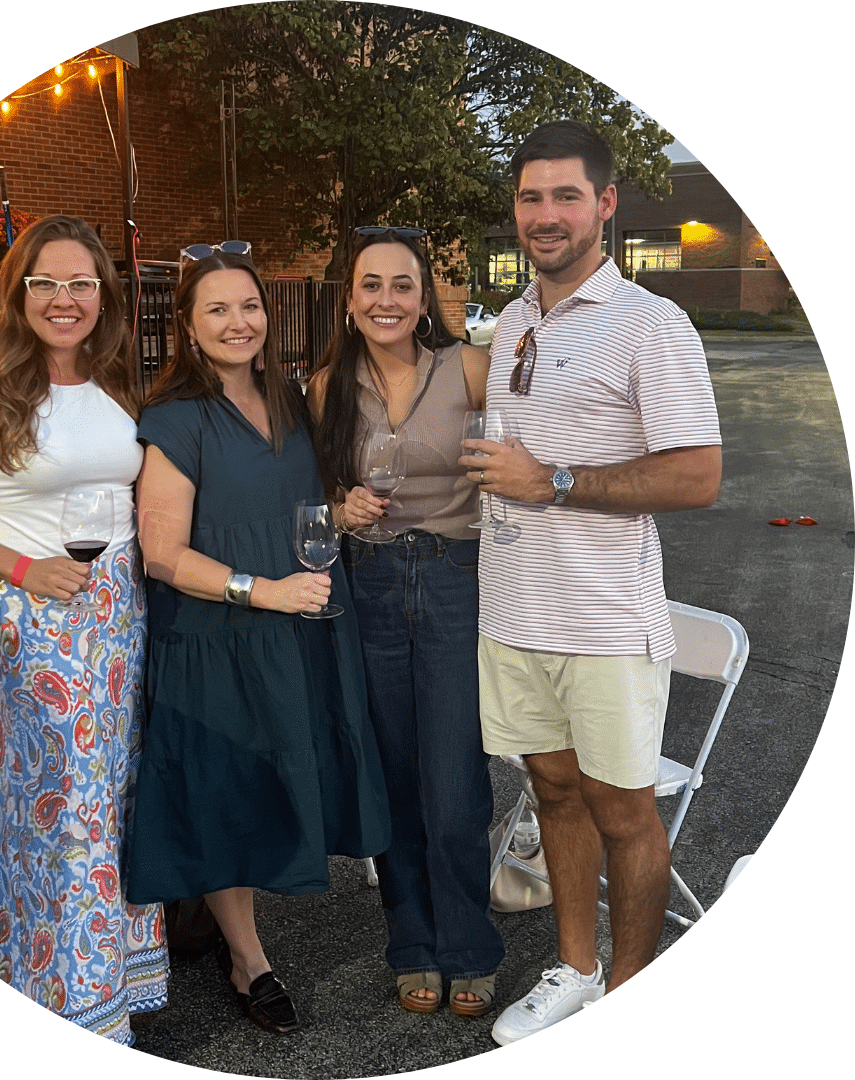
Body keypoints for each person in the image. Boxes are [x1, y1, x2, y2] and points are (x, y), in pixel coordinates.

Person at [459, 120, 723, 1044]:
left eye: (566, 196)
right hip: (513, 611)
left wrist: (556, 482)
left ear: (605, 204)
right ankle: (573, 971)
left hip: (605, 620)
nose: (545, 215)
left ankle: (629, 997)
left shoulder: (653, 323)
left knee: (624, 812)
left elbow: (698, 475)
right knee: (553, 793)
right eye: (530, 197)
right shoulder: (515, 320)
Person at [0, 215, 168, 1046]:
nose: (64, 299)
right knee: (64, 808)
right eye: (45, 283)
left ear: (104, 295)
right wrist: (20, 569)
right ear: (15, 293)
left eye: (81, 283)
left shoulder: (113, 374)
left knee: (116, 795)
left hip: (122, 613)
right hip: (39, 616)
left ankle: (116, 978)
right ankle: (68, 1000)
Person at [124, 248, 391, 1035]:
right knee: (229, 792)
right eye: (216, 309)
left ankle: (207, 923)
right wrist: (261, 590)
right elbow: (162, 554)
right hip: (220, 634)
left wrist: (343, 513)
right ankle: (249, 959)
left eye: (249, 306)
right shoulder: (174, 419)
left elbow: (296, 506)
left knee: (280, 776)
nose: (238, 322)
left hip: (298, 625)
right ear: (187, 325)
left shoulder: (290, 400)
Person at [308, 226, 506, 1017]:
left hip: (457, 577)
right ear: (350, 300)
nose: (386, 299)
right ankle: (412, 943)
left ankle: (468, 945)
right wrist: (340, 508)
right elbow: (311, 501)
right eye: (371, 285)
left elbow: (524, 450)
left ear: (425, 301)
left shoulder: (470, 368)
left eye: (402, 285)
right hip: (372, 581)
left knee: (453, 778)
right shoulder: (325, 387)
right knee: (391, 774)